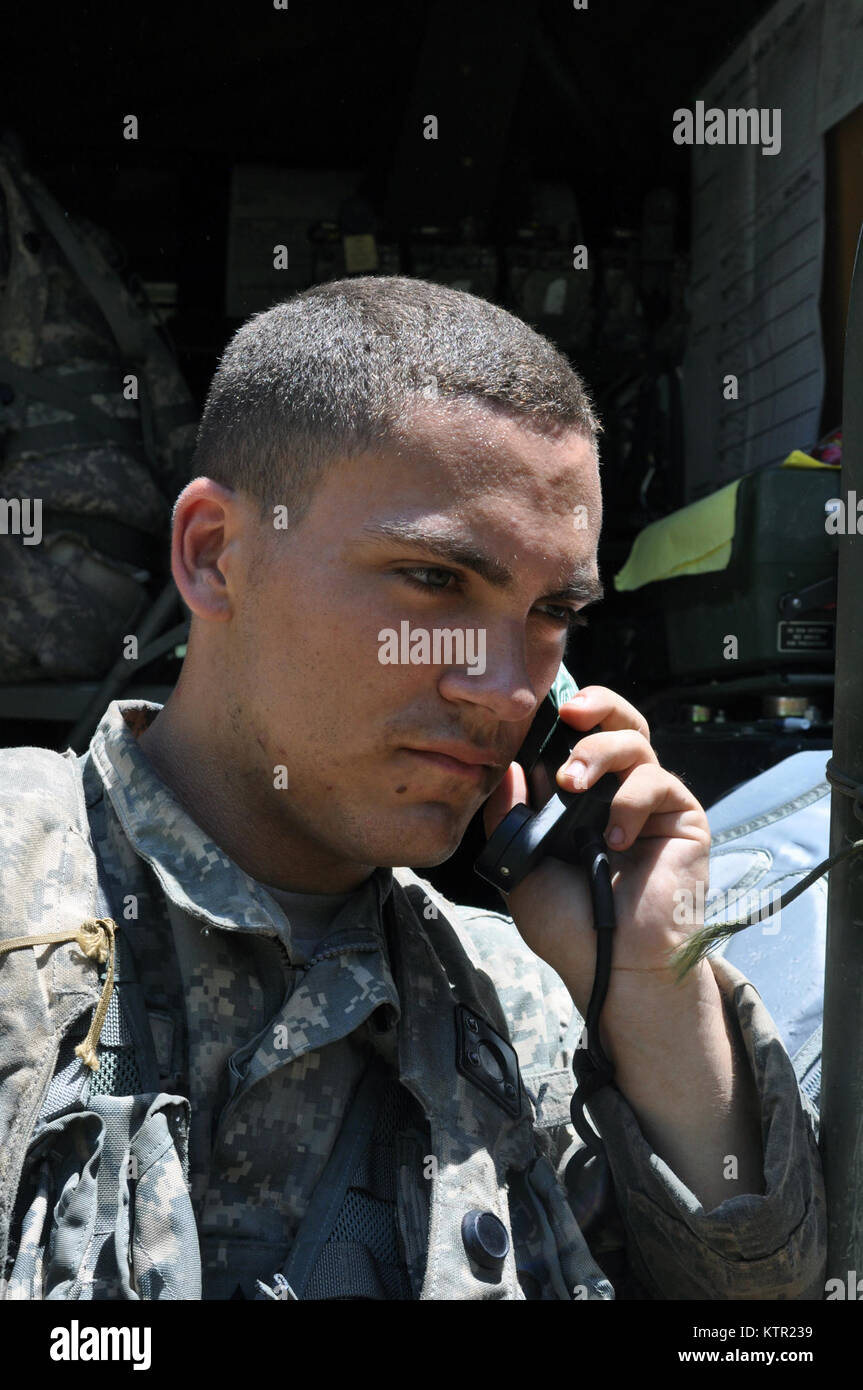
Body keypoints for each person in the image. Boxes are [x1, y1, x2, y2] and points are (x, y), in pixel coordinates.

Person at [0, 276, 825, 1301]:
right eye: (436, 581)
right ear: (215, 557)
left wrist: (653, 988)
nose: (507, 688)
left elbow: (756, 1322)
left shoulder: (516, 999)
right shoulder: (23, 896)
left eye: (551, 613)